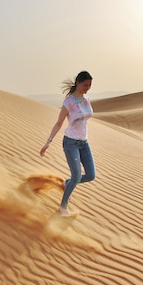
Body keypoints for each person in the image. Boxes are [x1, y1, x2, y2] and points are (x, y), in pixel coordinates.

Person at [40, 71, 96, 216]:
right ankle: (63, 207)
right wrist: (48, 142)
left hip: (84, 142)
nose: (87, 88)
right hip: (71, 143)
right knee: (76, 176)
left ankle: (67, 183)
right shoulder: (69, 102)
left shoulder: (86, 99)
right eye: (85, 85)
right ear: (77, 82)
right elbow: (59, 123)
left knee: (90, 175)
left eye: (90, 85)